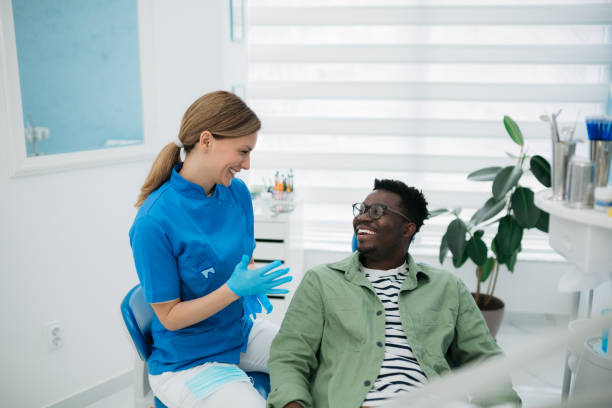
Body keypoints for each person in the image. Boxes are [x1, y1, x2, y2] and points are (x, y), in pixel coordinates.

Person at [267, 179, 521, 408]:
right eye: (361, 210)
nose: (362, 218)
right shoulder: (321, 281)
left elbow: (486, 360)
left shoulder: (446, 287)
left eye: (377, 211)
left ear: (407, 229)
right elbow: (290, 357)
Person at [129, 91, 291, 408]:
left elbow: (244, 258)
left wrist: (250, 280)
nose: (247, 164)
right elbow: (171, 318)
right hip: (188, 361)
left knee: (317, 360)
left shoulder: (237, 194)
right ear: (206, 141)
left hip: (236, 333)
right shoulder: (153, 222)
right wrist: (233, 289)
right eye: (242, 151)